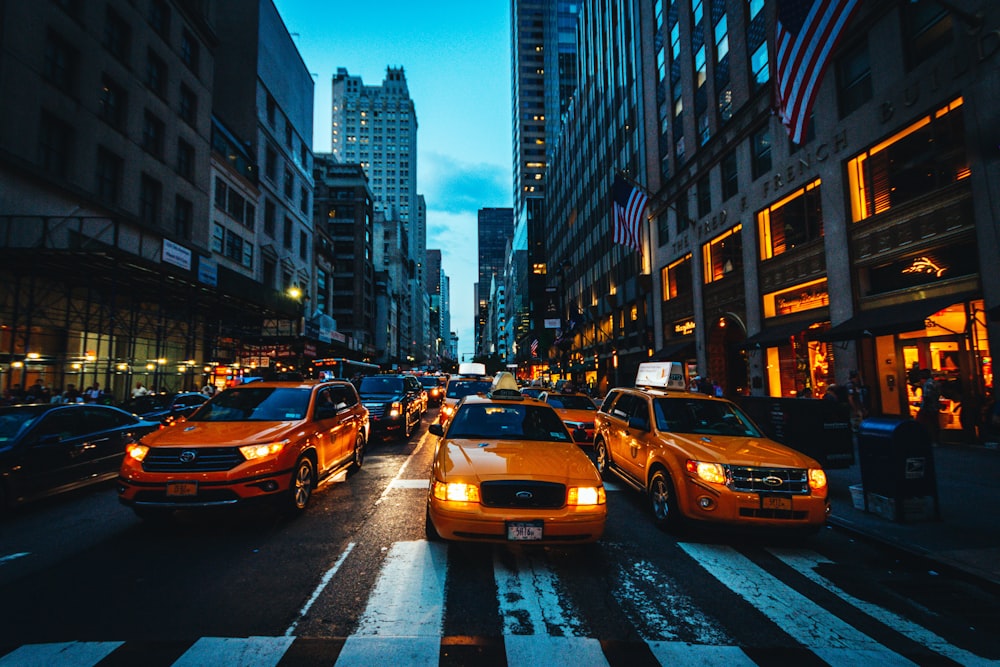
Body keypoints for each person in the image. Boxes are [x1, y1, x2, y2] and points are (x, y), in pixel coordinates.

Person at [916, 369, 941, 444]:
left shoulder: (928, 384)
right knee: (934, 423)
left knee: (925, 424)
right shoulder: (935, 383)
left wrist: (924, 407)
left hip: (928, 407)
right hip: (935, 406)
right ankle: (936, 439)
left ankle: (928, 439)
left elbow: (927, 396)